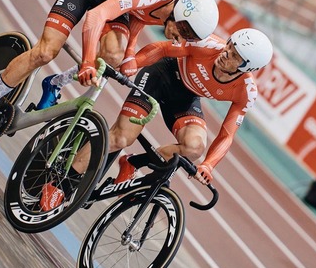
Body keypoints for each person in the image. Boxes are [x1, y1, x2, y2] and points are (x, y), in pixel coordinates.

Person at [0, 0, 219, 151]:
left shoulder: (168, 8)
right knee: (45, 52)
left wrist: (130, 53)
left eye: (188, 38)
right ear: (181, 12)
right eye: (183, 32)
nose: (179, 40)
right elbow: (96, 16)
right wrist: (86, 63)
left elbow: (140, 17)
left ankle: (55, 83)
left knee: (114, 56)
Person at [108, 28, 273, 186]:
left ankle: (132, 163)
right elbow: (162, 48)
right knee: (121, 138)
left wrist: (208, 165)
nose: (226, 53)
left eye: (235, 56)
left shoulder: (246, 91)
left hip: (185, 97)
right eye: (229, 45)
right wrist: (132, 64)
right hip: (161, 75)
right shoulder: (206, 44)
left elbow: (227, 135)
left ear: (246, 67)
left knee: (194, 148)